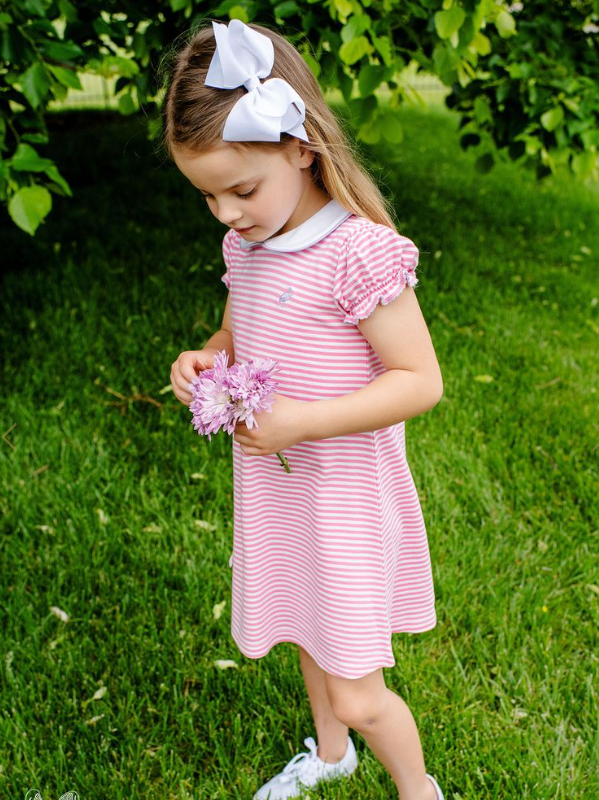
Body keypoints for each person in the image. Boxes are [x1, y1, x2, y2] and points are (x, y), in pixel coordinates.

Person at [164, 18, 445, 800]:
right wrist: (204, 360)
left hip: (344, 496)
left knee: (359, 687)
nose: (224, 212)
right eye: (207, 194)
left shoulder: (356, 252)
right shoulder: (245, 247)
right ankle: (330, 755)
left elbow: (419, 381)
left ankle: (418, 791)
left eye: (241, 189)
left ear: (301, 147)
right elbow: (236, 333)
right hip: (284, 490)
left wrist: (300, 422)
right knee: (304, 631)